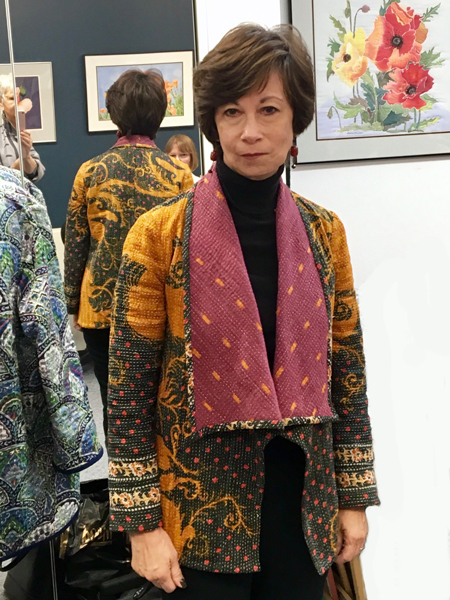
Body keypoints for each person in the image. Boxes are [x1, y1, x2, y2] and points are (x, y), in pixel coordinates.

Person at [107, 24, 379, 600]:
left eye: (268, 109)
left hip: (303, 506)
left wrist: (354, 495)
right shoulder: (158, 234)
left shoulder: (324, 232)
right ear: (213, 123)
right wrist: (141, 526)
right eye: (232, 112)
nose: (250, 131)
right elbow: (128, 390)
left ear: (296, 118)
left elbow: (347, 372)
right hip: (197, 512)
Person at [64, 69, 193, 436]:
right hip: (161, 305)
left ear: (114, 114)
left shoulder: (90, 172)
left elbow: (76, 243)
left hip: (101, 306)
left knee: (113, 400)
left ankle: (121, 469)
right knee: (165, 398)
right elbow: (188, 247)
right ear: (160, 113)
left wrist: (73, 303)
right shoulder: (179, 175)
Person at [0, 165, 102, 561]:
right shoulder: (13, 196)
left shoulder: (90, 173)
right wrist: (73, 438)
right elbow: (46, 323)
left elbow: (74, 239)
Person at [0, 74, 45, 181]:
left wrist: (26, 156)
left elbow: (36, 173)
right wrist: (18, 164)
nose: (18, 103)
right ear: (1, 102)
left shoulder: (19, 130)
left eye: (19, 98)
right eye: (12, 98)